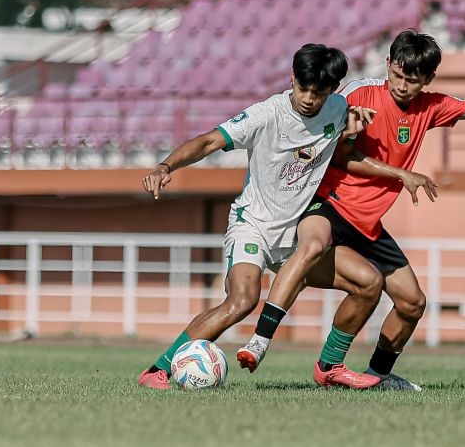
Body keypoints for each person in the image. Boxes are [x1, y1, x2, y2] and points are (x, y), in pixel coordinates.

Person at [237, 29, 465, 390]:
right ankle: (261, 340)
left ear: (428, 79)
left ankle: (378, 375)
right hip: (329, 203)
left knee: (412, 303)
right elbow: (326, 138)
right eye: (396, 75)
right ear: (387, 65)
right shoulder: (359, 94)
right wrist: (363, 145)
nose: (401, 85)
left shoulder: (431, 106)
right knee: (312, 246)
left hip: (368, 223)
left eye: (412, 80)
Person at [138, 43, 382, 390]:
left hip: (296, 237)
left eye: (319, 91)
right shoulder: (267, 114)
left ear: (332, 89)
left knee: (368, 283)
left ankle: (330, 367)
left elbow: (353, 136)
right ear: (292, 78)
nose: (310, 98)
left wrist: (353, 130)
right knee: (242, 301)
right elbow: (210, 141)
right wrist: (166, 166)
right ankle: (157, 370)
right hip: (252, 226)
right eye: (303, 88)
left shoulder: (340, 107)